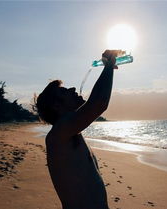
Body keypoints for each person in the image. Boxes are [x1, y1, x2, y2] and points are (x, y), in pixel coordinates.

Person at [35, 50, 122, 209]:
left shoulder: (70, 133)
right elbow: (98, 103)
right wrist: (108, 67)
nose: (73, 89)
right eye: (65, 91)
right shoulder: (59, 134)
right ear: (57, 105)